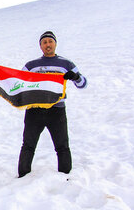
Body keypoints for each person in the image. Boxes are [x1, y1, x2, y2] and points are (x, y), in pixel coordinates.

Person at [18, 31, 87, 177]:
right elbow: (18, 83)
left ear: (55, 43)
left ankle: (65, 177)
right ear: (40, 46)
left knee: (62, 146)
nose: (47, 45)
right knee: (28, 145)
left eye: (50, 41)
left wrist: (75, 77)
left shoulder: (66, 64)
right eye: (44, 42)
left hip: (57, 110)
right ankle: (22, 176)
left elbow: (83, 84)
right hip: (35, 110)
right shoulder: (31, 65)